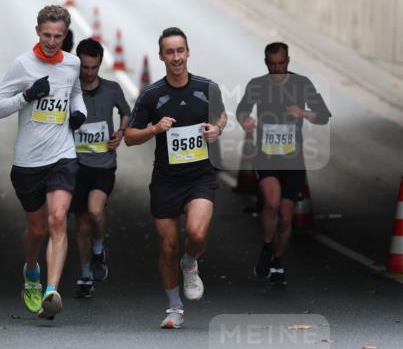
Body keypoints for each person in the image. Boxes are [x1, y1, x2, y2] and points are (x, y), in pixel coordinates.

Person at [125, 28, 227, 329]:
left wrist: (216, 129)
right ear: (161, 56)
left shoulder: (207, 88)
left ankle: (190, 262)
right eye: (169, 52)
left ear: (188, 51)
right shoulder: (151, 95)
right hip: (166, 179)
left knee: (195, 234)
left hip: (199, 177)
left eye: (180, 51)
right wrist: (154, 129)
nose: (176, 58)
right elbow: (129, 137)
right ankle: (174, 308)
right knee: (167, 246)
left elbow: (222, 115)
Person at [0, 4, 87, 320]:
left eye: (58, 36)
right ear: (37, 31)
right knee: (36, 229)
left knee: (59, 218)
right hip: (29, 161)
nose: (52, 41)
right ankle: (32, 270)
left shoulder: (72, 64)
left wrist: (79, 112)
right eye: (46, 35)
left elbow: (75, 95)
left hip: (63, 155)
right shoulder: (22, 65)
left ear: (65, 35)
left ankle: (51, 291)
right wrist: (27, 95)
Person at [236, 41, 331, 285]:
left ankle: (277, 260)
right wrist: (245, 120)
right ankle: (267, 247)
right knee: (272, 201)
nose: (278, 69)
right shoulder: (257, 85)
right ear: (266, 63)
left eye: (282, 64)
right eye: (273, 65)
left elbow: (323, 115)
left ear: (288, 61)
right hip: (266, 154)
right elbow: (242, 110)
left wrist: (304, 113)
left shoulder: (302, 84)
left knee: (287, 217)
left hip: (293, 158)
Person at [71, 39, 131, 298]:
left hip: (103, 165)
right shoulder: (70, 91)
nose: (89, 73)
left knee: (95, 212)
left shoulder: (112, 88)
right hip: (75, 166)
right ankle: (85, 275)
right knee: (81, 224)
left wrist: (121, 131)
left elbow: (127, 112)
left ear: (100, 64)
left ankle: (98, 250)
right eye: (84, 67)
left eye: (94, 67)